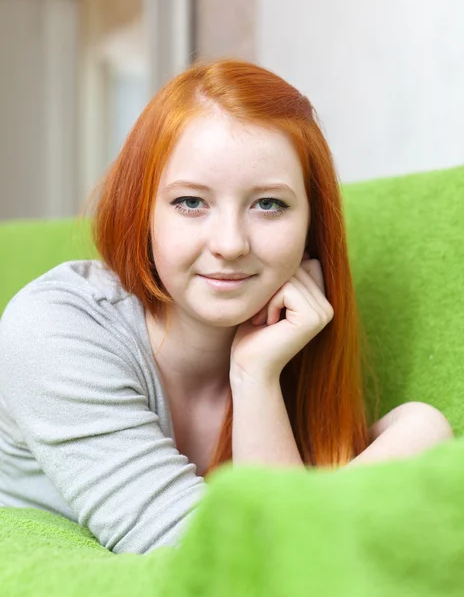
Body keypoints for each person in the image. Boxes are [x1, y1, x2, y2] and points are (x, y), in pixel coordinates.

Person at [0, 58, 453, 554]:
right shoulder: (51, 331)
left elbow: (282, 548)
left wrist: (255, 374)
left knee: (422, 428)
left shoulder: (291, 347)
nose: (231, 243)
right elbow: (233, 563)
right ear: (141, 213)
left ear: (311, 228)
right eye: (191, 202)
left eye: (269, 204)